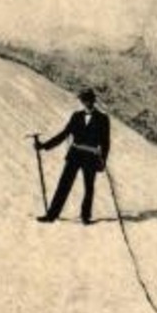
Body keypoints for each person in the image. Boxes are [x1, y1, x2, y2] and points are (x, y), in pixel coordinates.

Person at [36, 88, 110, 224]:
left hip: (91, 156)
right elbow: (64, 134)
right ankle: (52, 215)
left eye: (88, 99)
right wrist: (44, 146)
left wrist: (103, 160)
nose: (85, 102)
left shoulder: (103, 119)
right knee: (64, 184)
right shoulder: (76, 116)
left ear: (93, 101)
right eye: (83, 100)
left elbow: (105, 142)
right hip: (75, 155)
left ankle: (85, 216)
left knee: (89, 187)